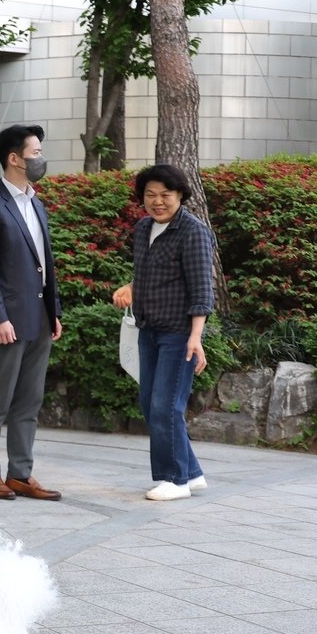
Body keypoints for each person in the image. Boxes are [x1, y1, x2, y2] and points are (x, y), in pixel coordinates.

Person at [0, 125, 63, 501]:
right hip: (6, 320)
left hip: (39, 318)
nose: (40, 158)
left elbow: (45, 263)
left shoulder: (36, 204)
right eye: (35, 152)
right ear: (14, 158)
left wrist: (53, 311)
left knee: (29, 400)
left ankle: (21, 473)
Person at [112, 164, 214, 501]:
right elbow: (147, 275)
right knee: (150, 403)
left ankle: (175, 479)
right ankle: (193, 472)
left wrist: (195, 337)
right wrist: (131, 288)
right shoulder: (143, 229)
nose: (157, 202)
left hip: (178, 333)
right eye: (150, 195)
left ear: (181, 195)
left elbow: (201, 290)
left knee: (166, 405)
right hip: (148, 329)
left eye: (165, 195)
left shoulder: (193, 232)